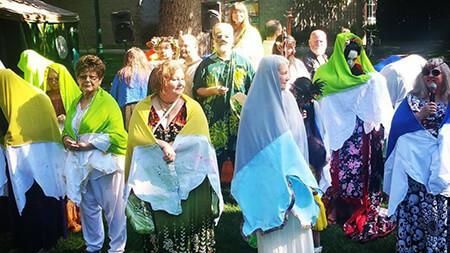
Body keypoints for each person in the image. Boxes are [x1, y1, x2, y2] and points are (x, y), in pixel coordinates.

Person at [126, 60, 223, 252]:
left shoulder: (193, 108)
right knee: (162, 227)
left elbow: (201, 143)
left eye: (181, 79)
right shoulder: (143, 109)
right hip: (155, 182)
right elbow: (137, 139)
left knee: (190, 228)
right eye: (173, 79)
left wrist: (176, 147)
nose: (180, 83)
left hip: (191, 183)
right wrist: (160, 144)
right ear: (160, 82)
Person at [231, 55, 319, 253]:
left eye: (287, 72)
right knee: (275, 233)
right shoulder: (254, 106)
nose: (287, 77)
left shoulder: (288, 98)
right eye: (283, 72)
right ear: (269, 74)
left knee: (296, 229)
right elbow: (252, 145)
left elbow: (297, 138)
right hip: (267, 178)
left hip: (293, 175)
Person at [313, 32, 395, 241]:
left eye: (355, 56)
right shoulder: (324, 75)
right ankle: (340, 206)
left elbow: (378, 105)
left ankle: (360, 204)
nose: (352, 61)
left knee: (362, 169)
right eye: (347, 56)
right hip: (338, 137)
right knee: (340, 169)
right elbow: (320, 104)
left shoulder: (370, 77)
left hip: (362, 135)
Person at [62, 55, 128, 253]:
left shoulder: (108, 102)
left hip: (105, 164)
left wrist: (89, 145)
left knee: (114, 210)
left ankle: (116, 248)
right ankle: (93, 246)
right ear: (77, 78)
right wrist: (66, 139)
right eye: (83, 76)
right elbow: (68, 129)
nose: (87, 80)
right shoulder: (75, 102)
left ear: (100, 79)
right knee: (89, 207)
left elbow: (118, 135)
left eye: (92, 76)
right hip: (82, 165)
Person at [384, 58, 450, 252]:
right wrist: (420, 115)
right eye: (426, 72)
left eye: (435, 72)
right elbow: (397, 127)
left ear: (445, 76)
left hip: (441, 166)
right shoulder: (412, 99)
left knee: (439, 206)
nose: (430, 76)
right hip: (414, 168)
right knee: (415, 206)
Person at [0, 69, 67, 253]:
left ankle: (37, 243)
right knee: (39, 198)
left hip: (26, 155)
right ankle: (34, 241)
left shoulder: (13, 91)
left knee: (33, 200)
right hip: (42, 156)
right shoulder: (28, 93)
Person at [193, 22, 255, 180]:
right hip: (214, 121)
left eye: (226, 36)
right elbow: (197, 90)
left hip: (238, 120)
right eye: (218, 36)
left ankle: (240, 192)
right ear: (213, 39)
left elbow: (254, 89)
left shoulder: (244, 62)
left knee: (239, 158)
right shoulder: (206, 64)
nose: (223, 39)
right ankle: (216, 192)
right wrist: (213, 91)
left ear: (233, 38)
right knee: (215, 159)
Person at [42, 62, 82, 232]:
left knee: (71, 176)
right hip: (53, 140)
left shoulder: (73, 95)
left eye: (56, 79)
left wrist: (67, 118)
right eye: (49, 79)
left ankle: (75, 216)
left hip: (68, 138)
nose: (53, 82)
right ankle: (63, 217)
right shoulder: (44, 95)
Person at [110, 47, 151, 130]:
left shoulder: (122, 73)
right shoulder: (148, 73)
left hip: (126, 106)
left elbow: (113, 92)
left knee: (128, 131)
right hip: (145, 105)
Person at [229, 2, 264, 69]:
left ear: (245, 14)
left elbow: (256, 54)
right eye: (235, 12)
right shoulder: (229, 31)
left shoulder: (252, 32)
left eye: (240, 12)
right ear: (231, 15)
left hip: (247, 68)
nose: (238, 14)